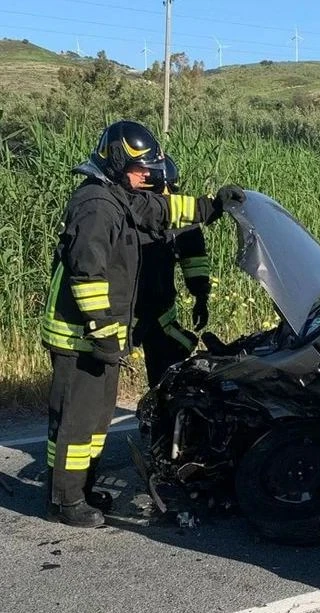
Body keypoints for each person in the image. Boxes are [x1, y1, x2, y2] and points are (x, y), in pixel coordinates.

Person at [41, 120, 244, 528]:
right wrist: (101, 333)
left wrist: (214, 206)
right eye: (141, 171)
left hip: (99, 335)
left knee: (95, 423)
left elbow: (170, 212)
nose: (147, 179)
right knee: (78, 422)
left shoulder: (123, 195)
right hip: (80, 334)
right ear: (117, 162)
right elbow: (87, 274)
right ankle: (65, 501)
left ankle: (80, 489)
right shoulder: (97, 205)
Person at [135, 155, 211, 387]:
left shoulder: (182, 216)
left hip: (158, 313)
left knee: (163, 377)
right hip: (133, 312)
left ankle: (163, 414)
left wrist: (201, 297)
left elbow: (194, 260)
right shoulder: (133, 211)